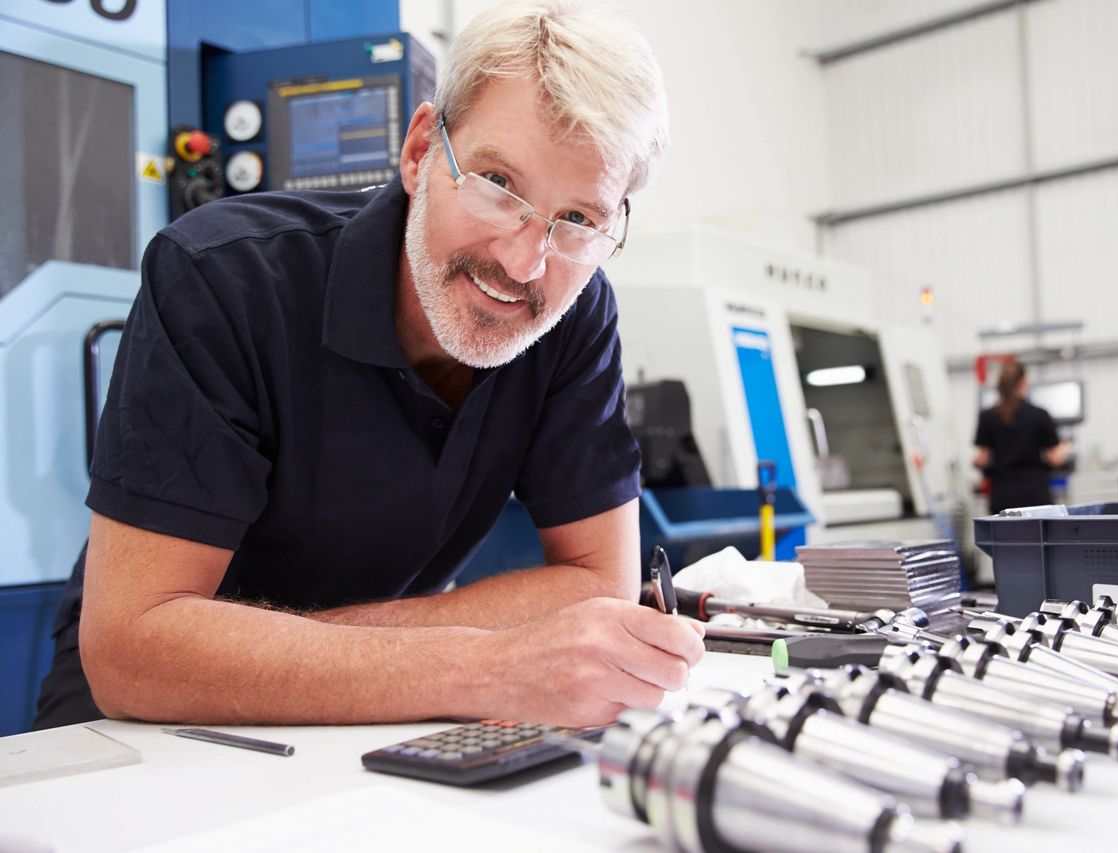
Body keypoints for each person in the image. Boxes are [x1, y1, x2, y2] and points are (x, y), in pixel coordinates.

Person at [33, 0, 704, 730]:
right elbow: (135, 647)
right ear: (419, 152)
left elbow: (596, 581)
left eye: (578, 219)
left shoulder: (575, 312)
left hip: (386, 708)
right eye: (497, 182)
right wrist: (489, 662)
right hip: (148, 723)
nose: (523, 260)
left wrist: (328, 658)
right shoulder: (222, 280)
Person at [973, 360, 1071, 513]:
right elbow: (1055, 459)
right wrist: (1064, 447)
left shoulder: (987, 416)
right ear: (1023, 382)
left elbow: (981, 460)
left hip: (1002, 496)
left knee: (1003, 536)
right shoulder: (1039, 415)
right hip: (1035, 496)